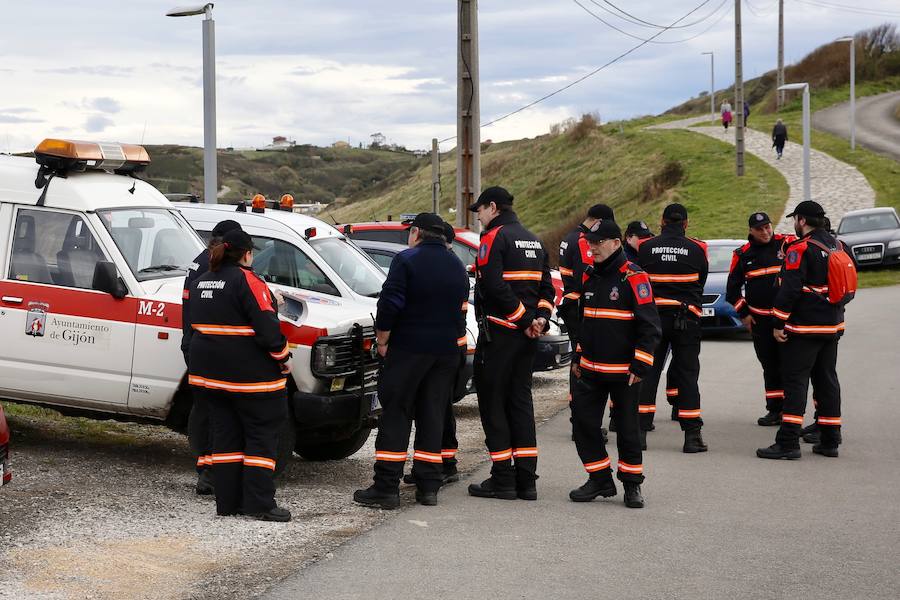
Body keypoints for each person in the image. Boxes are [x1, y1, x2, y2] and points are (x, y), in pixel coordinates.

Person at [354, 213, 469, 508]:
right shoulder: (456, 265)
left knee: (397, 413)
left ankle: (386, 487)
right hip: (444, 352)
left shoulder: (406, 260)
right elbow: (460, 313)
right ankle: (428, 484)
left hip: (408, 350)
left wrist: (382, 341)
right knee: (432, 414)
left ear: (416, 232)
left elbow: (389, 304)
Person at [188, 229, 292, 522]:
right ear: (247, 254)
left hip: (209, 377)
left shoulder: (201, 282)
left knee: (225, 435)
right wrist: (284, 358)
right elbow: (268, 329)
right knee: (261, 435)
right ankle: (260, 503)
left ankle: (228, 502)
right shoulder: (249, 280)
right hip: (251, 378)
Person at [468, 186, 555, 501]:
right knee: (520, 402)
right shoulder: (534, 239)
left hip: (501, 335)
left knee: (493, 404)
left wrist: (521, 320)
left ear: (493, 207)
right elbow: (547, 287)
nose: (478, 216)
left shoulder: (494, 238)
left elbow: (493, 284)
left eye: (479, 210)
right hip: (527, 337)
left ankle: (503, 477)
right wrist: (539, 319)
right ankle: (527, 480)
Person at [569, 219, 660, 508]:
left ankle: (632, 485)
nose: (592, 247)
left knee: (628, 430)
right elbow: (585, 321)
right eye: (590, 242)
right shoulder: (588, 276)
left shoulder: (634, 276)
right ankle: (599, 479)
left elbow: (651, 327)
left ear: (616, 243)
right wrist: (578, 354)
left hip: (624, 374)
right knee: (583, 425)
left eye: (598, 242)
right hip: (591, 370)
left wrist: (640, 365)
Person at [758, 201, 849, 460]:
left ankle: (788, 443)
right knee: (827, 381)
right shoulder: (837, 245)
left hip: (805, 329)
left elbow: (790, 289)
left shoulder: (800, 249)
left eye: (795, 220)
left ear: (801, 220)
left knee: (795, 382)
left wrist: (777, 323)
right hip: (832, 326)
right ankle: (830, 440)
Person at [636, 203, 709, 453]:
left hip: (652, 320)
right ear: (686, 224)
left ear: (662, 221)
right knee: (688, 375)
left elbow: (638, 281)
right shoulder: (698, 249)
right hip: (686, 319)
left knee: (647, 372)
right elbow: (701, 280)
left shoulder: (645, 248)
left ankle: (640, 432)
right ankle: (692, 436)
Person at [402, 220, 469, 487]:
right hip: (452, 346)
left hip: (443, 346)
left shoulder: (440, 263)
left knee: (437, 410)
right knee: (439, 408)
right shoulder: (454, 265)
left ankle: (443, 463)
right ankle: (439, 463)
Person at [181, 219, 243, 496]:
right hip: (213, 346)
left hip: (196, 345)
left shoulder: (199, 262)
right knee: (215, 413)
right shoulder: (214, 267)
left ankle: (207, 471)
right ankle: (209, 473)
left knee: (205, 409)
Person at [725, 212, 795, 426]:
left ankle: (792, 412)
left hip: (786, 321)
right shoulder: (742, 254)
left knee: (791, 367)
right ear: (751, 231)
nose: (765, 232)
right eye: (759, 229)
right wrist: (744, 314)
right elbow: (732, 291)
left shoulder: (787, 244)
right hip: (760, 323)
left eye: (767, 227)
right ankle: (774, 410)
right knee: (770, 366)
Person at [558, 204, 615, 439]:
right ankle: (581, 422)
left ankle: (579, 420)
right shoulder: (582, 241)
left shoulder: (569, 237)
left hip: (571, 305)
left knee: (578, 359)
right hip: (581, 307)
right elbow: (588, 277)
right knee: (582, 362)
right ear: (597, 221)